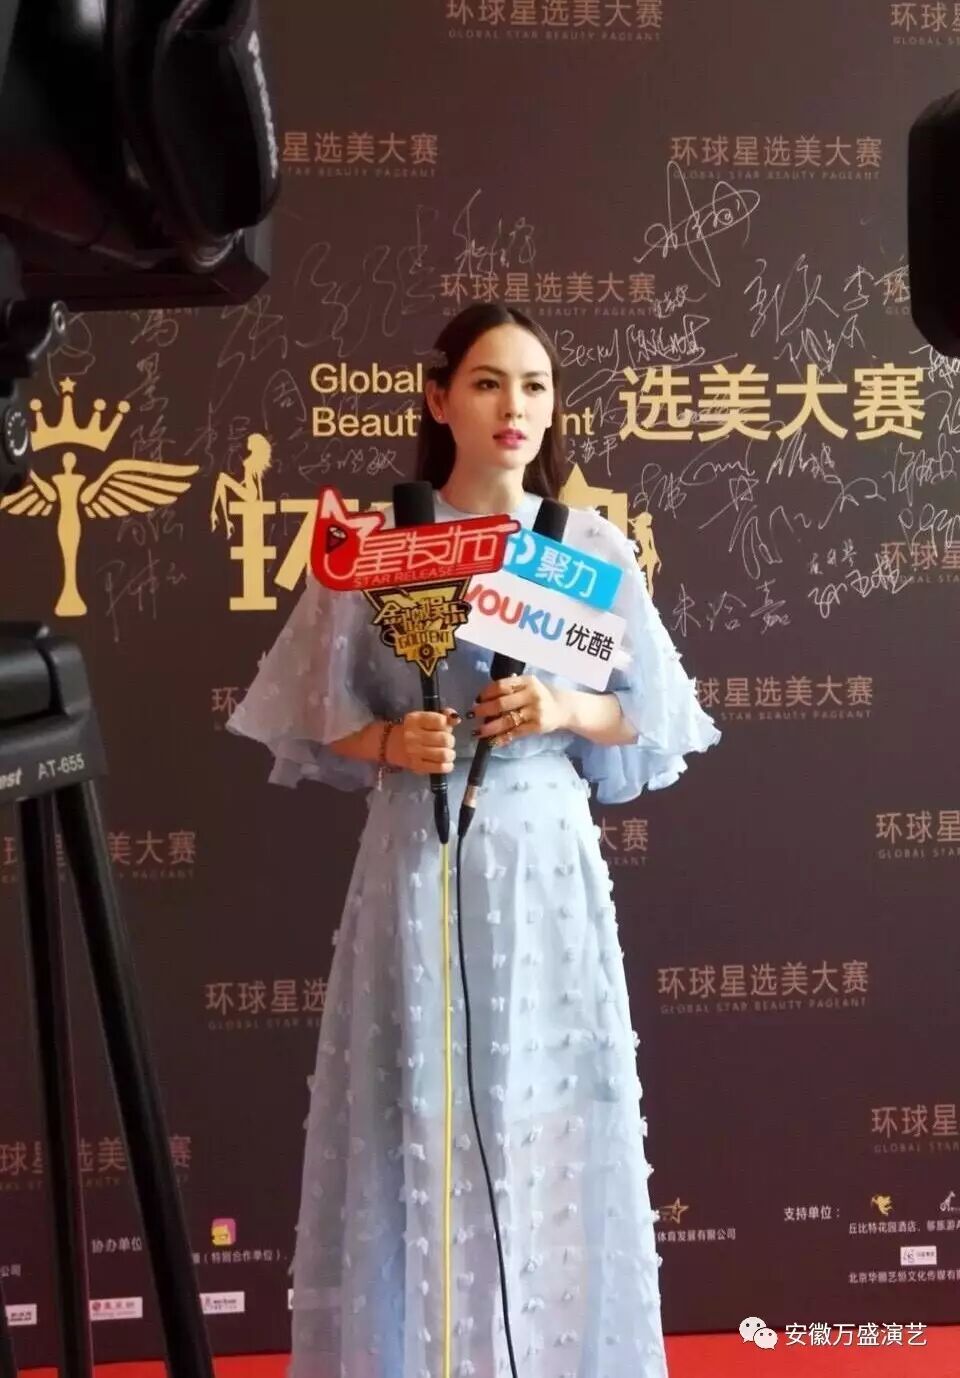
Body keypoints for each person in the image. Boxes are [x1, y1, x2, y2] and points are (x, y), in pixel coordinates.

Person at [227, 302, 720, 1378]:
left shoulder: (584, 548)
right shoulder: (382, 547)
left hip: (544, 859)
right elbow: (312, 715)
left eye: (535, 385)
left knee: (548, 1114)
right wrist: (389, 741)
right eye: (490, 382)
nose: (515, 407)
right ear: (439, 398)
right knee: (418, 1110)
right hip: (418, 850)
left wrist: (563, 706)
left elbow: (650, 715)